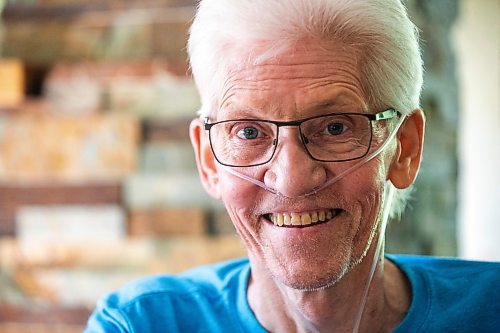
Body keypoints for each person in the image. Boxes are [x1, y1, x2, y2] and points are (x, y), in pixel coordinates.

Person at [84, 0, 500, 332]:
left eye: (335, 127)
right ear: (209, 159)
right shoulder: (141, 324)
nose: (293, 179)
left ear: (404, 149)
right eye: (248, 132)